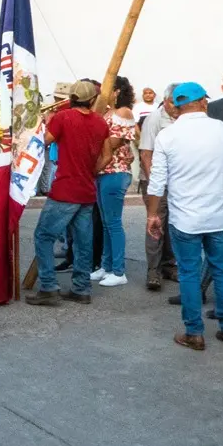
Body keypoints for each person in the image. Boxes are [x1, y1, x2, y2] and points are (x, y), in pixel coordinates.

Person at [146, 82, 223, 350]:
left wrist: (153, 215)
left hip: (184, 218)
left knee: (188, 273)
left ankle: (194, 333)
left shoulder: (168, 135)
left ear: (176, 106)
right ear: (203, 102)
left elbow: (157, 181)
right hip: (219, 217)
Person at [25, 80, 109, 307]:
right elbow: (106, 155)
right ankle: (81, 288)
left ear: (71, 98)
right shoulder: (100, 122)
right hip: (86, 189)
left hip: (65, 188)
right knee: (83, 242)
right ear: (93, 100)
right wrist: (92, 170)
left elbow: (45, 141)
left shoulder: (63, 118)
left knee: (43, 236)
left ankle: (49, 287)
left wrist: (46, 123)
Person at [92, 76, 137, 288]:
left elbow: (114, 141)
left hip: (115, 170)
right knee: (105, 222)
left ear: (117, 91)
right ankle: (106, 265)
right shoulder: (109, 112)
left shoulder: (123, 112)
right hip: (104, 172)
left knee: (113, 222)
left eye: (108, 89)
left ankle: (118, 270)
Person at [139, 83, 180, 290]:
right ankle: (153, 271)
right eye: (173, 102)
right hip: (156, 181)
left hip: (178, 181)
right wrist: (154, 185)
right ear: (165, 100)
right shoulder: (154, 119)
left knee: (173, 224)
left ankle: (169, 265)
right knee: (156, 224)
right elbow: (146, 154)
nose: (176, 106)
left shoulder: (183, 118)